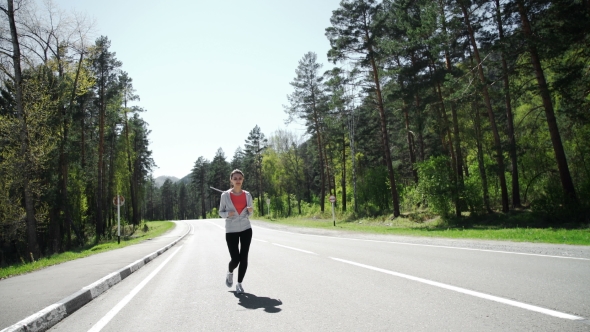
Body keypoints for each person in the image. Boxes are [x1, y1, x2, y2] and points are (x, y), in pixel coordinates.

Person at [218, 169, 253, 294]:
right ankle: (230, 271)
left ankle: (239, 284)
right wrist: (228, 213)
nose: (237, 180)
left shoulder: (247, 195)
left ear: (242, 180)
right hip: (231, 230)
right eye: (235, 178)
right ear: (231, 180)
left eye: (240, 178)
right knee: (235, 259)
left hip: (246, 229)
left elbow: (251, 212)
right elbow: (220, 212)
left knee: (244, 258)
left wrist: (250, 210)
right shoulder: (225, 195)